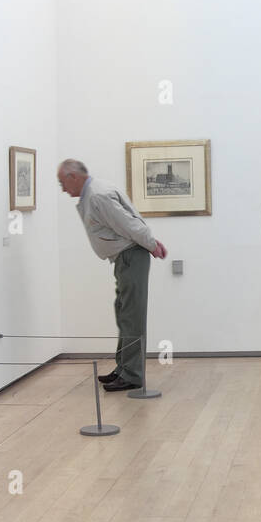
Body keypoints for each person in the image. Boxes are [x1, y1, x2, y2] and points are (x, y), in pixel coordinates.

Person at [57, 159, 168, 391]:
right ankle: (123, 368)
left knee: (131, 316)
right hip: (124, 258)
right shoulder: (96, 191)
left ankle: (132, 375)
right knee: (124, 313)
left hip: (131, 256)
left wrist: (152, 245)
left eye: (63, 183)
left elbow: (130, 225)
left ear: (73, 177)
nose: (63, 189)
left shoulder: (97, 195)